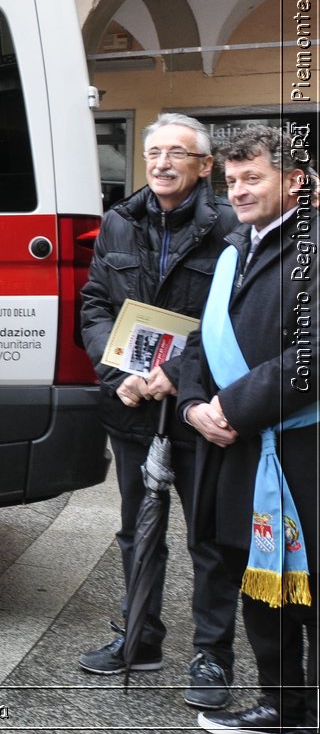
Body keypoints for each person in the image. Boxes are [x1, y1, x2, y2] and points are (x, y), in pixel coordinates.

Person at [75, 113, 242, 708]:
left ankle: (212, 655)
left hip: (198, 403)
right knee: (136, 532)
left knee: (209, 538)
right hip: (130, 404)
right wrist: (120, 374)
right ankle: (140, 637)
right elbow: (93, 307)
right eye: (154, 153)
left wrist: (175, 375)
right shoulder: (118, 221)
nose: (163, 163)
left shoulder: (229, 226)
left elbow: (235, 319)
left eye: (178, 152)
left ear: (204, 165)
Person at [175, 127, 317, 734]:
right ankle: (280, 707)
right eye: (230, 181)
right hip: (238, 450)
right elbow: (199, 344)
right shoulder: (235, 249)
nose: (237, 190)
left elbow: (311, 356)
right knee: (263, 585)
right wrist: (191, 404)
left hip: (304, 451)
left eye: (252, 177)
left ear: (294, 181)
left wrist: (228, 407)